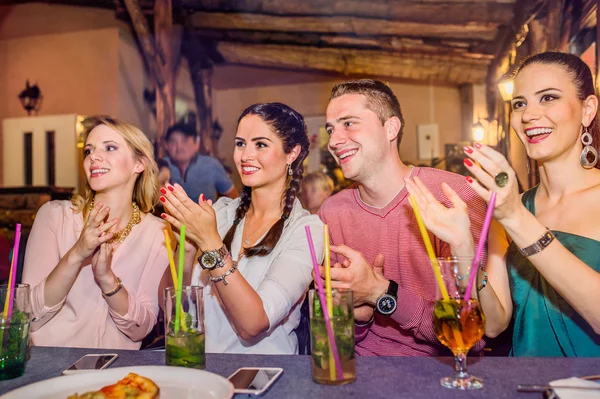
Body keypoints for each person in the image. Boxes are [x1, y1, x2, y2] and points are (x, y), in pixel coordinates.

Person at [407, 51, 600, 357]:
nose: (529, 115)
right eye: (520, 103)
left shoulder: (512, 211)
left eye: (548, 97)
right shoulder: (511, 207)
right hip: (523, 383)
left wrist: (516, 219)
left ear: (587, 109)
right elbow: (495, 323)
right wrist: (464, 250)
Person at [318, 79, 488, 356]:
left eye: (349, 123)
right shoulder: (331, 212)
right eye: (330, 129)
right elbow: (339, 339)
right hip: (361, 374)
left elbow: (470, 335)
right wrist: (360, 316)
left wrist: (382, 293)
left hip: (440, 374)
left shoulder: (454, 195)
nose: (334, 141)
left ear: (391, 128)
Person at [159, 102, 323, 354]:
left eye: (260, 144)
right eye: (240, 143)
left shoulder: (306, 230)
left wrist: (211, 243)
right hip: (201, 370)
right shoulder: (220, 213)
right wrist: (189, 248)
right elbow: (168, 307)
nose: (245, 155)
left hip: (264, 377)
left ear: (292, 153)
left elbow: (253, 323)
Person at [22, 116, 169, 349]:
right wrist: (77, 254)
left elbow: (141, 328)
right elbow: (28, 314)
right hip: (51, 370)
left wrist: (108, 281)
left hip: (116, 374)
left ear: (139, 164)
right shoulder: (54, 216)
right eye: (88, 151)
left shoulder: (158, 232)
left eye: (109, 148)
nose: (93, 157)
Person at [164, 123, 237, 202]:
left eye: (184, 140)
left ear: (196, 144)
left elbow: (233, 196)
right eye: (173, 141)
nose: (179, 147)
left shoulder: (211, 164)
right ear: (166, 145)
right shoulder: (160, 166)